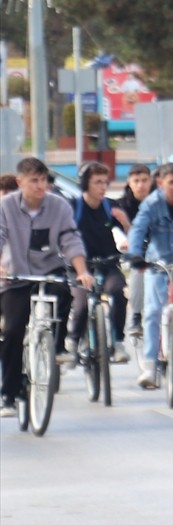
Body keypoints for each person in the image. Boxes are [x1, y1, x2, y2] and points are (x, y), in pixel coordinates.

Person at [0, 157, 93, 416]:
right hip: (16, 274)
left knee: (65, 293)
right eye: (34, 181)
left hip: (49, 270)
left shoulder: (59, 206)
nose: (41, 186)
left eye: (44, 180)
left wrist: (82, 271)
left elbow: (70, 239)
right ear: (20, 182)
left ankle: (59, 346)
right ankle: (7, 394)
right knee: (13, 330)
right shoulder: (6, 206)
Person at [126, 162, 173, 388]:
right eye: (171, 182)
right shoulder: (151, 204)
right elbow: (138, 230)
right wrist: (135, 255)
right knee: (152, 311)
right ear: (160, 184)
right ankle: (149, 365)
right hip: (157, 261)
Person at [67, 162, 133, 364]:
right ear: (85, 183)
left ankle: (118, 341)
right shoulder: (73, 207)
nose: (102, 187)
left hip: (107, 262)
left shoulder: (110, 207)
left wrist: (125, 223)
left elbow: (132, 237)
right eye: (97, 182)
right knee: (81, 305)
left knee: (118, 293)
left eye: (105, 182)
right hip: (79, 266)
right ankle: (73, 341)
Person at [118, 164, 154, 338]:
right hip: (137, 250)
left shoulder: (159, 200)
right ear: (129, 183)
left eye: (144, 180)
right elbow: (115, 229)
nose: (141, 185)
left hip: (160, 248)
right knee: (138, 272)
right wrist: (125, 241)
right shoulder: (122, 204)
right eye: (136, 181)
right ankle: (136, 315)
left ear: (151, 181)